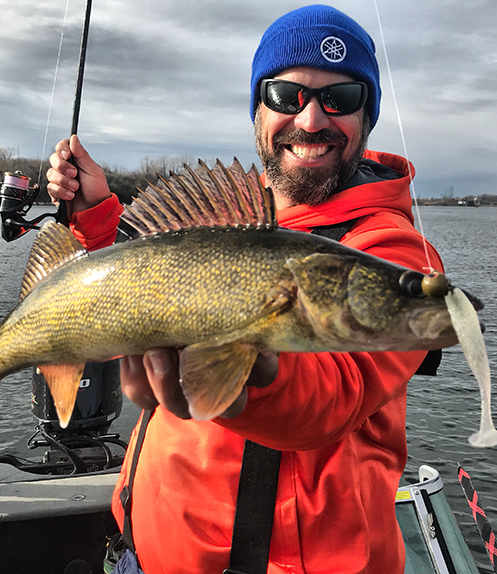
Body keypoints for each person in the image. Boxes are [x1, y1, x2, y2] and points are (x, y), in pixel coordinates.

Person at [47, 5, 444, 573]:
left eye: (342, 98)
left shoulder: (396, 260)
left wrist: (246, 376)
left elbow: (335, 393)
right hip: (139, 550)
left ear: (368, 116)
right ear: (259, 109)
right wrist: (97, 216)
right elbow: (153, 274)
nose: (311, 121)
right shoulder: (223, 218)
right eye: (286, 95)